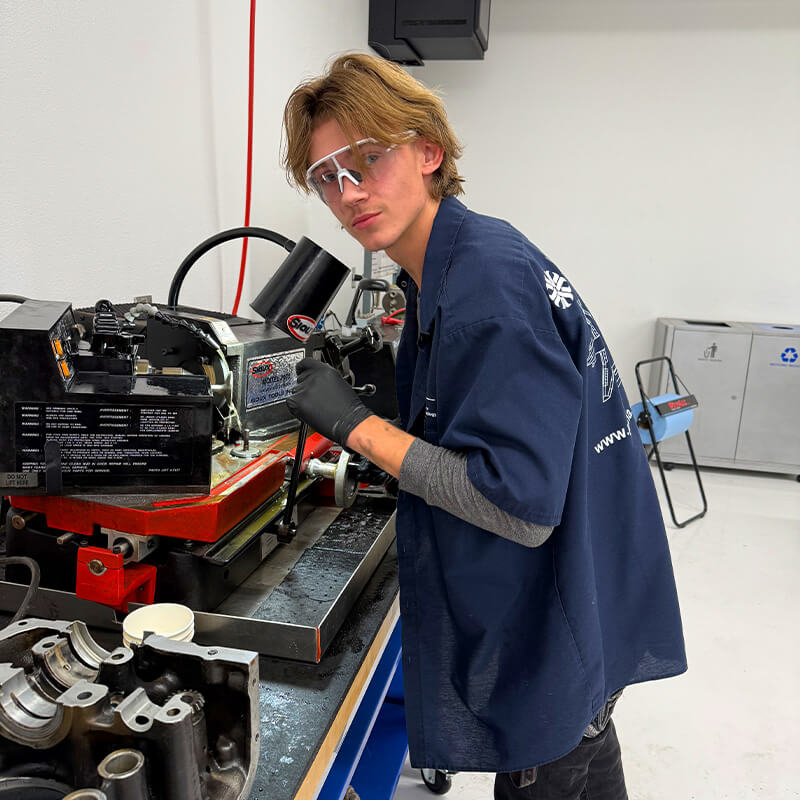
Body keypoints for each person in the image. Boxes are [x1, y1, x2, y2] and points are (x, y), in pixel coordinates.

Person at [282, 52, 687, 799]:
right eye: (327, 176)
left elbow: (516, 505)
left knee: (553, 764)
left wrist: (355, 425)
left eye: (368, 159)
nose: (349, 191)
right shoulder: (456, 262)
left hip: (552, 616)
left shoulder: (483, 286)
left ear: (428, 151)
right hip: (587, 601)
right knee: (586, 748)